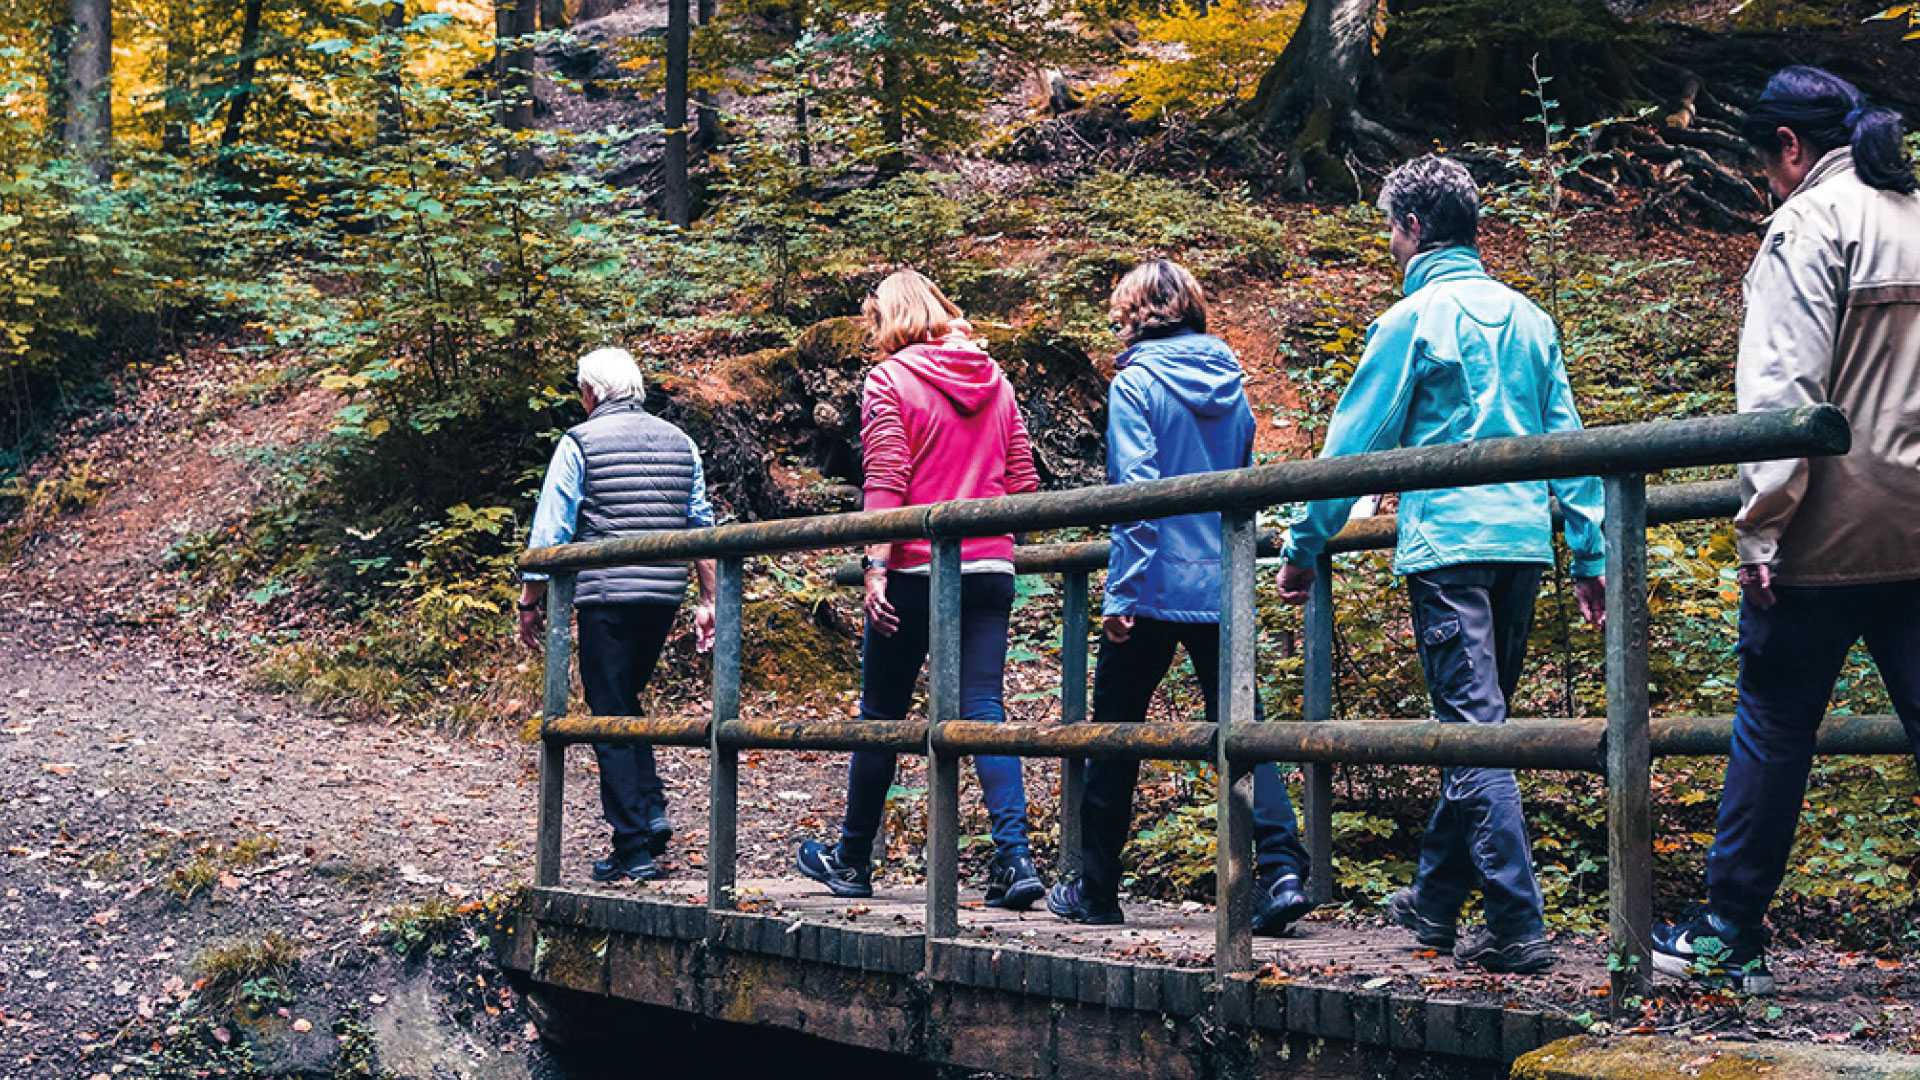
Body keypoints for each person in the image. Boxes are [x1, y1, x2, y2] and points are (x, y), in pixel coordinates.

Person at [1275, 156, 1607, 974]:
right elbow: (1566, 440)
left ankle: (1517, 926)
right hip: (1525, 545)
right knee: (1481, 729)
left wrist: (1303, 548)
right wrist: (1589, 551)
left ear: (1414, 227)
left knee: (1473, 736)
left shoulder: (1411, 320)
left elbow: (1350, 448)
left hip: (1450, 549)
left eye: (1390, 228)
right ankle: (1432, 902)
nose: (1390, 243)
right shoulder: (1530, 319)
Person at [1651, 68, 1920, 996]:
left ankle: (1728, 933)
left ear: (1791, 149)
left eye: (1766, 163)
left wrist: (1761, 531)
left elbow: (1782, 398)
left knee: (1772, 725)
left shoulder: (1807, 225)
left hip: (1824, 535)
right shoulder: (1915, 214)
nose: (1768, 181)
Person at [1046, 261, 1314, 933]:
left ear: (1134, 314)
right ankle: (1283, 869)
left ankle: (1097, 889)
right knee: (1244, 729)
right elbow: (1242, 473)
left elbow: (1136, 493)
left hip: (1156, 581)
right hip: (1222, 580)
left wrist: (1123, 592)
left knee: (1114, 733)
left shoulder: (1136, 384)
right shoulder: (1232, 383)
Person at [796, 270, 1047, 909]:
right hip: (990, 567)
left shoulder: (888, 379)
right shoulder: (994, 379)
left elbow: (887, 477)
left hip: (915, 569)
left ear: (891, 317)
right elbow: (1023, 482)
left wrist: (875, 565)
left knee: (880, 714)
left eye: (874, 319)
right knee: (984, 710)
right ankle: (1015, 859)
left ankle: (851, 860)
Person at [518, 347, 718, 884]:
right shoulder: (682, 442)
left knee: (607, 712)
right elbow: (702, 526)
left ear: (593, 393)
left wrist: (530, 601)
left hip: (605, 595)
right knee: (624, 699)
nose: (580, 401)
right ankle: (650, 811)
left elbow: (552, 532)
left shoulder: (579, 442)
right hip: (661, 597)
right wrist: (708, 598)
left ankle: (632, 846)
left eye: (582, 391)